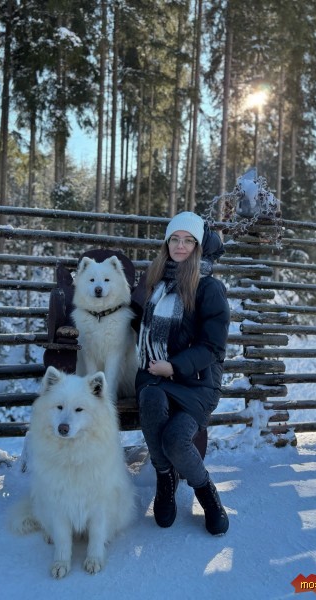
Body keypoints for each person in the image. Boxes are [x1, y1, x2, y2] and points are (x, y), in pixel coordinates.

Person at [133, 211, 230, 535]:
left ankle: (207, 493)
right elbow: (144, 328)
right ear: (167, 243)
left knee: (175, 439)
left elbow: (212, 347)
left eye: (188, 240)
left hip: (196, 383)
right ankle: (165, 478)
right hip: (155, 375)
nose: (180, 245)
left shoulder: (209, 287)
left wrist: (175, 366)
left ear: (198, 247)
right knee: (149, 398)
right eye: (174, 239)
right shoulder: (156, 284)